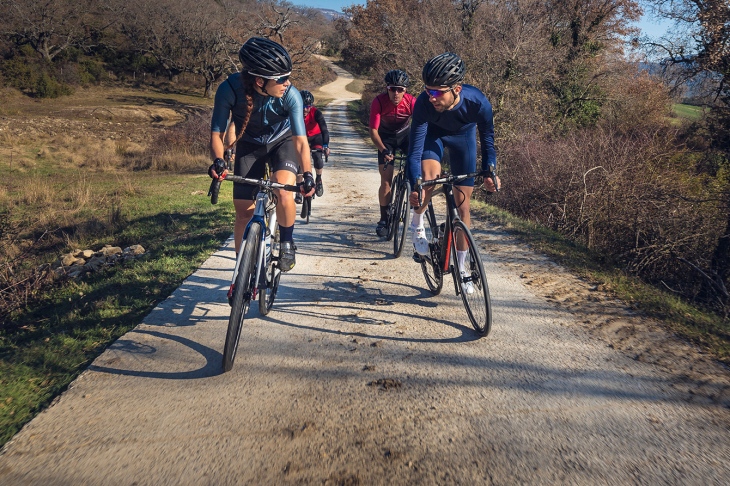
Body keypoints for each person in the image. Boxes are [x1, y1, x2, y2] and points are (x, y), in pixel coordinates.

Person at [208, 37, 315, 272]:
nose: (288, 83)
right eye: (282, 79)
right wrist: (218, 160)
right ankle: (241, 270)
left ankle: (286, 242)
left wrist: (307, 173)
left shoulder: (291, 95)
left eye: (288, 76)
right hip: (250, 144)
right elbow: (217, 134)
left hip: (282, 142)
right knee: (243, 212)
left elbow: (300, 142)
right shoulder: (229, 89)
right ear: (260, 80)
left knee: (283, 191)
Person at [407, 52, 500, 290]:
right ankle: (416, 223)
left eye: (438, 92)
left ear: (457, 88)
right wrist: (414, 184)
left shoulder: (478, 102)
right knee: (429, 178)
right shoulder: (423, 105)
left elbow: (488, 139)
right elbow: (415, 150)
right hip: (432, 136)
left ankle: (463, 267)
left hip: (463, 139)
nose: (432, 97)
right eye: (428, 90)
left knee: (463, 206)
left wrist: (490, 170)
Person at [369, 69, 417, 237]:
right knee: (386, 182)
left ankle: (414, 207)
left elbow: (420, 127)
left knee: (415, 171)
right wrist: (383, 150)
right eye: (392, 89)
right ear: (387, 88)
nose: (396, 93)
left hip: (405, 136)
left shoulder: (412, 102)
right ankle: (383, 219)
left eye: (400, 89)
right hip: (386, 139)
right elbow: (373, 131)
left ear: (405, 90)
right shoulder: (379, 102)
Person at [294, 90, 330, 204]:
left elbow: (324, 130)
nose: (305, 109)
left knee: (317, 157)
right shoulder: (294, 113)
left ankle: (318, 179)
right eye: (303, 106)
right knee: (300, 163)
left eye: (308, 106)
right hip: (301, 137)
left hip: (315, 137)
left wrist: (325, 146)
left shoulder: (316, 113)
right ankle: (299, 188)